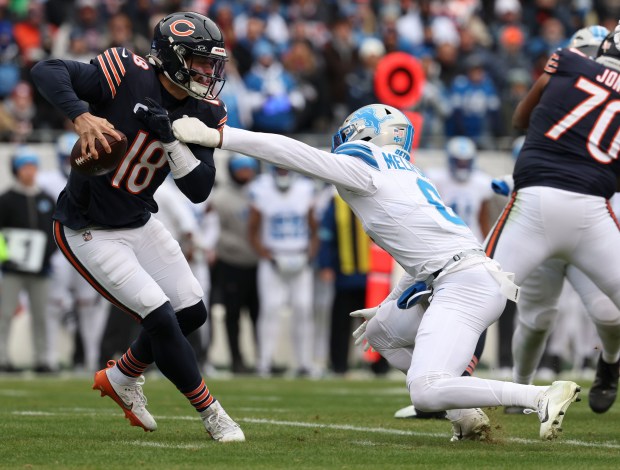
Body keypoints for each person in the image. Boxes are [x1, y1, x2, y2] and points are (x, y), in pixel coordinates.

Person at [172, 103, 581, 442]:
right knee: (381, 332)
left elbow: (293, 152)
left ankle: (539, 395)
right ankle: (467, 417)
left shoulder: (367, 168)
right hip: (458, 274)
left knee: (425, 388)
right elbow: (425, 247)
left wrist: (222, 136)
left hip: (464, 284)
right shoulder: (406, 173)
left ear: (367, 134)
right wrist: (389, 302)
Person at [30, 11, 244, 442]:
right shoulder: (126, 73)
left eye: (212, 64)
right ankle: (212, 412)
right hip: (87, 227)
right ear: (171, 56)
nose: (208, 72)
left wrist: (169, 139)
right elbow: (45, 69)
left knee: (192, 312)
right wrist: (80, 116)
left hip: (139, 220)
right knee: (161, 317)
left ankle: (123, 376)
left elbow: (200, 189)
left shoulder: (206, 109)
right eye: (199, 61)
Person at [486, 24, 620, 415]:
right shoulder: (565, 92)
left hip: (589, 215)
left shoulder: (568, 69)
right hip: (547, 214)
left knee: (609, 313)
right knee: (535, 319)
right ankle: (521, 389)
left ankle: (609, 363)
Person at [38, 132, 109, 373]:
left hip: (86, 244)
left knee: (89, 305)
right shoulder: (44, 180)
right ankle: (49, 357)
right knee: (54, 305)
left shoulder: (100, 174)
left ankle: (92, 360)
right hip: (59, 249)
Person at [248, 166, 318, 377]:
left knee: (303, 309)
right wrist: (266, 255)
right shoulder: (261, 189)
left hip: (299, 255)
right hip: (273, 258)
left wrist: (309, 255)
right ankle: (264, 362)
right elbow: (252, 230)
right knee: (270, 309)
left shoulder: (306, 189)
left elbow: (315, 229)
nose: (283, 175)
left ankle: (305, 362)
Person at [0, 147, 57, 373]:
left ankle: (43, 358)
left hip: (41, 270)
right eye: (25, 167)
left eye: (33, 167)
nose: (29, 172)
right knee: (6, 313)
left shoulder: (45, 198)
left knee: (41, 315)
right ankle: (3, 357)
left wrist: (46, 256)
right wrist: (6, 259)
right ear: (16, 170)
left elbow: (54, 232)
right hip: (13, 269)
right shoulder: (6, 199)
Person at [209, 154, 260, 374]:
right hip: (231, 263)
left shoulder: (261, 193)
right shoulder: (220, 198)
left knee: (260, 314)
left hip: (259, 263)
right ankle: (236, 359)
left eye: (249, 168)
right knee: (233, 316)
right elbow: (213, 230)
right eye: (240, 168)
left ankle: (262, 359)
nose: (245, 173)